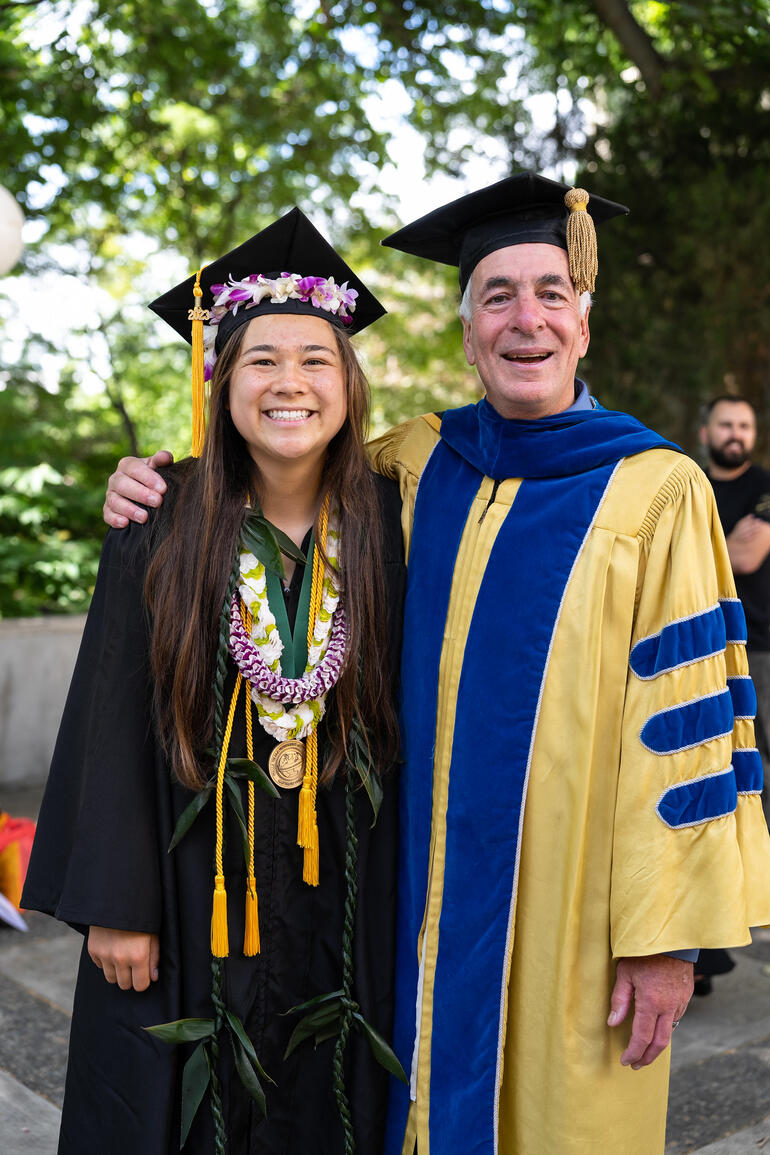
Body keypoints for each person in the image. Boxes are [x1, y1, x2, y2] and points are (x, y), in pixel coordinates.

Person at [103, 173, 770, 1155]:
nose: (524, 319)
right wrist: (159, 485)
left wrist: (665, 939)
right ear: (465, 333)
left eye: (549, 292)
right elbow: (279, 470)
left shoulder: (657, 489)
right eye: (495, 296)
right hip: (414, 902)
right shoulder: (417, 460)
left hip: (575, 914)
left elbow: (688, 728)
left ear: (583, 321)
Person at [22, 209, 406, 1155]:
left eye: (317, 360)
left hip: (342, 888)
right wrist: (116, 903)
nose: (290, 383)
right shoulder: (160, 517)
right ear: (219, 379)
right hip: (194, 891)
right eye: (260, 359)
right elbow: (110, 711)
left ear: (350, 386)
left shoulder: (394, 523)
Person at [701, 395, 770, 825]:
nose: (736, 434)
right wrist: (730, 541)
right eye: (726, 425)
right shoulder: (690, 487)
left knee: (763, 752)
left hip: (760, 646)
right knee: (717, 754)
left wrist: (705, 550)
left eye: (744, 426)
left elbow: (747, 558)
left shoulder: (765, 489)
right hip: (704, 641)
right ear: (706, 433)